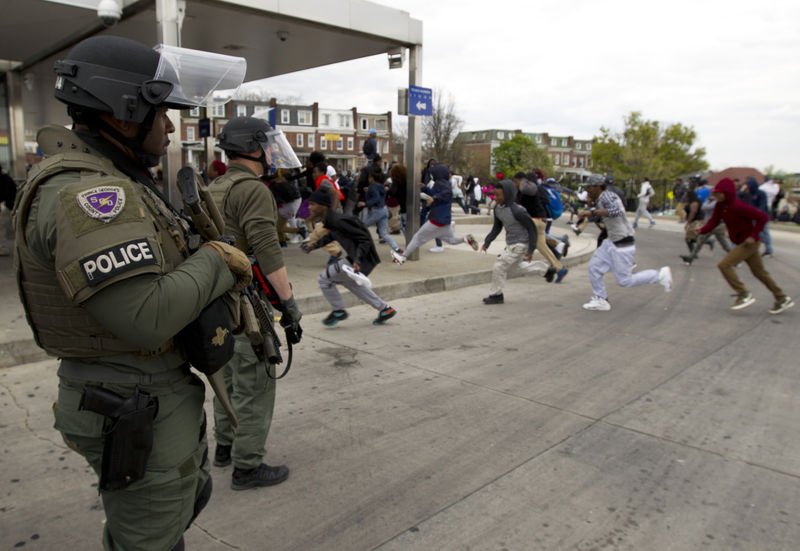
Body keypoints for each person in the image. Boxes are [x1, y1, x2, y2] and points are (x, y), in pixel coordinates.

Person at [14, 35, 251, 550]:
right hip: (130, 400)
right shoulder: (91, 195)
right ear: (124, 115)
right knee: (149, 537)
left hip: (145, 395)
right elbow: (144, 316)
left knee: (176, 507)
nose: (169, 126)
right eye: (161, 112)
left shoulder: (117, 178)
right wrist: (216, 259)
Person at [208, 116, 303, 490]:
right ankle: (247, 466)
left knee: (227, 378)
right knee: (256, 383)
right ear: (253, 147)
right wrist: (288, 303)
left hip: (216, 301)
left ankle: (225, 447)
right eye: (266, 144)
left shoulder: (215, 185)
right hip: (247, 304)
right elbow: (267, 251)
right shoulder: (253, 190)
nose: (270, 151)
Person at [697, 178, 793, 313]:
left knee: (724, 265)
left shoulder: (738, 206)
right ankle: (782, 298)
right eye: (715, 193)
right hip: (741, 242)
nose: (715, 196)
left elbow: (762, 217)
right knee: (760, 273)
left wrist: (753, 236)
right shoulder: (720, 206)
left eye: (719, 193)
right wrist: (701, 230)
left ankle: (744, 294)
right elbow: (713, 221)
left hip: (749, 243)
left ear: (727, 193)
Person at [302, 189, 397, 325]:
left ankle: (338, 311)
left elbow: (364, 239)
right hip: (358, 257)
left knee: (324, 279)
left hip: (361, 257)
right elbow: (333, 235)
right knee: (350, 282)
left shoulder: (339, 220)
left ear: (323, 206)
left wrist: (357, 259)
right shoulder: (332, 220)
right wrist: (314, 245)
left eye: (312, 204)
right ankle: (384, 308)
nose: (309, 207)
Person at [580, 175, 672, 311]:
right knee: (594, 267)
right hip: (611, 241)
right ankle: (601, 300)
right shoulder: (601, 198)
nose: (587, 190)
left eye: (589, 187)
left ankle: (658, 275)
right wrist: (591, 210)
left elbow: (616, 211)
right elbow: (603, 217)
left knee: (624, 281)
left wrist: (592, 212)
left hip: (622, 243)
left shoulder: (607, 196)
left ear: (598, 187)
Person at [391, 164, 479, 264]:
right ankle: (465, 239)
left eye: (433, 174)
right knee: (452, 240)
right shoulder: (442, 183)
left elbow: (445, 194)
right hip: (445, 221)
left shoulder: (442, 184)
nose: (431, 176)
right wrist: (424, 188)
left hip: (436, 219)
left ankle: (402, 257)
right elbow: (434, 192)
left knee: (417, 237)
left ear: (438, 174)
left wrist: (435, 198)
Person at [480, 180, 542, 304]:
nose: (496, 198)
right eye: (494, 195)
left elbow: (531, 229)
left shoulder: (518, 211)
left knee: (499, 266)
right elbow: (497, 227)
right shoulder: (497, 209)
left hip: (521, 244)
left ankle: (496, 295)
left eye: (498, 195)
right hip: (511, 244)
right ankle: (546, 269)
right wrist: (488, 241)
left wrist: (531, 249)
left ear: (507, 195)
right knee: (518, 268)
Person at [512, 171, 569, 283]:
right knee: (542, 247)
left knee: (522, 239)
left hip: (534, 221)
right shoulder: (535, 188)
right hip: (542, 220)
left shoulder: (525, 189)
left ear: (520, 180)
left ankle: (523, 259)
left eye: (515, 182)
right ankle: (560, 268)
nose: (515, 184)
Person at [359, 164, 402, 253]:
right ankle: (396, 248)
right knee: (384, 233)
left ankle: (363, 248)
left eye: (369, 177)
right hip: (384, 210)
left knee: (361, 226)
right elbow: (379, 194)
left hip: (377, 210)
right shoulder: (381, 186)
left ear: (372, 178)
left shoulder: (372, 187)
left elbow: (376, 198)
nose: (368, 179)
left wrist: (365, 204)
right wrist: (369, 191)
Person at [0, 164, 16, 256]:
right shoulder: (6, 178)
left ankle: (2, 248)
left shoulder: (3, 179)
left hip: (4, 206)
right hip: (9, 205)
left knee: (2, 228)